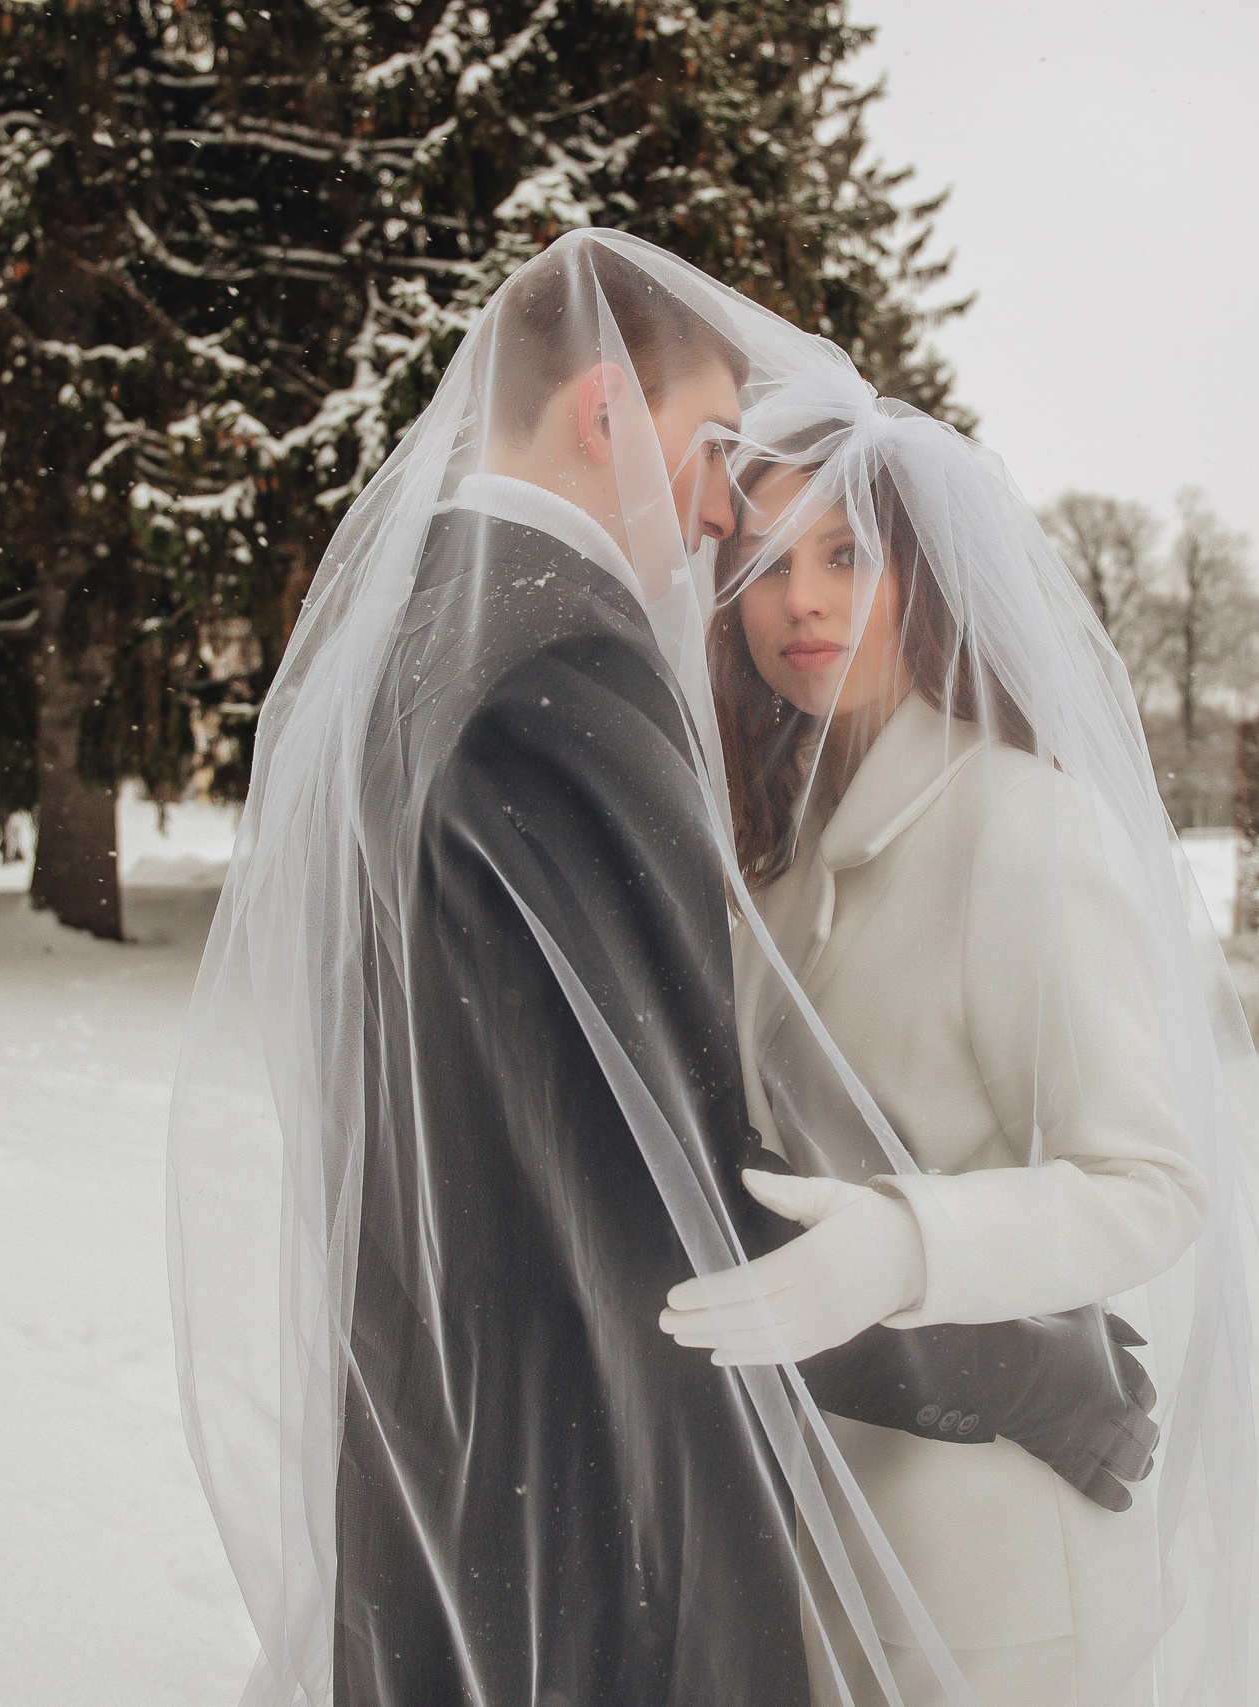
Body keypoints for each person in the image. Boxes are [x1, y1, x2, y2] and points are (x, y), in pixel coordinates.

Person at [169, 231, 1166, 1707]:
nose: (735, 550)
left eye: (846, 553)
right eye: (752, 529)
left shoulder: (443, 639)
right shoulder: (580, 693)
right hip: (654, 1490)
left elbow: (1143, 1178)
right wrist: (1027, 1363)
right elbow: (670, 1200)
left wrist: (985, 1319)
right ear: (600, 416)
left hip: (955, 1543)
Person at [661, 379, 1259, 1705]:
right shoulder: (774, 854)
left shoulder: (1020, 826)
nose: (804, 602)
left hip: (997, 1557)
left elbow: (1151, 1184)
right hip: (821, 1505)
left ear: (930, 574)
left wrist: (908, 1248)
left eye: (849, 555)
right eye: (766, 564)